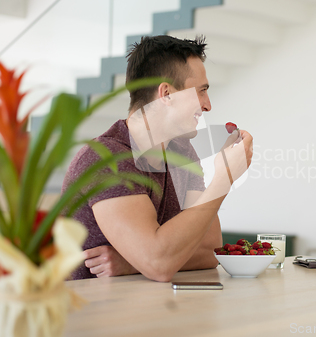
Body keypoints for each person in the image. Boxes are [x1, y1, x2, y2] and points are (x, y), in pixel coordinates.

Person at [62, 35, 253, 281]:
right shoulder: (106, 159)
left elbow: (210, 251)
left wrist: (133, 264)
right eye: (201, 91)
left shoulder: (182, 152)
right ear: (166, 94)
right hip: (91, 315)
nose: (208, 105)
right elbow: (159, 264)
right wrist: (224, 178)